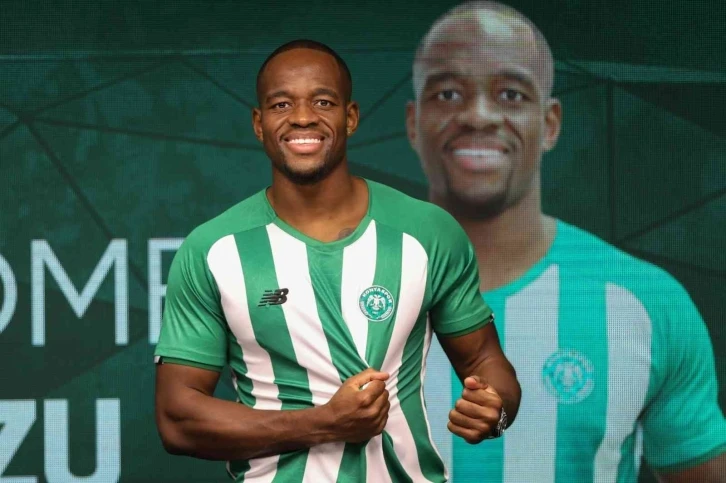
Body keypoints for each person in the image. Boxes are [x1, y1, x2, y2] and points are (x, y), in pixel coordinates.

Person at [153, 39, 521, 482]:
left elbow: (484, 361)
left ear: (350, 117)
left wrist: (496, 410)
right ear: (259, 123)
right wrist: (325, 423)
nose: (302, 117)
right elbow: (177, 420)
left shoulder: (427, 232)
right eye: (281, 104)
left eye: (322, 101)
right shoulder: (214, 249)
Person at [406, 2, 726, 482]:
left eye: (511, 94)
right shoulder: (324, 291)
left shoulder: (646, 302)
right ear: (414, 122)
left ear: (551, 124)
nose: (478, 115)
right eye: (448, 93)